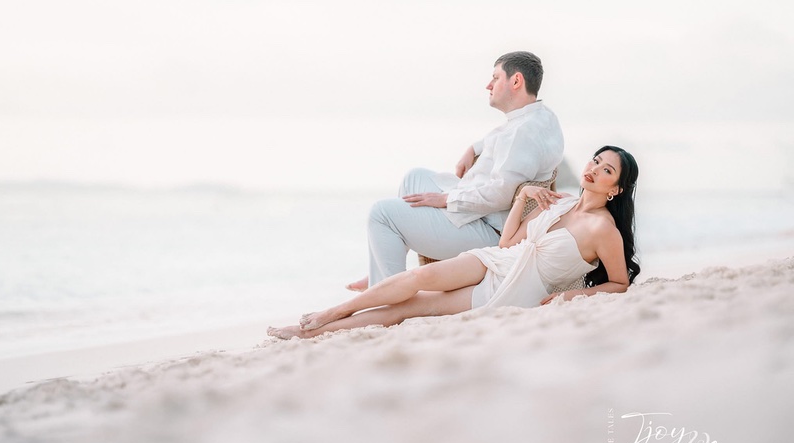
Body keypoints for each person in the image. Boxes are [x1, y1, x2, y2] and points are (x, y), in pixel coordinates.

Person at [267, 146, 640, 340]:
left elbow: (619, 284)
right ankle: (332, 312)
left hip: (513, 289)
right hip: (496, 260)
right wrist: (524, 196)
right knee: (416, 280)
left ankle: (307, 332)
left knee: (410, 308)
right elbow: (509, 242)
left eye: (606, 170)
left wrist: (570, 297)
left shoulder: (604, 230)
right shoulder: (560, 202)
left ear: (616, 188)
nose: (594, 169)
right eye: (596, 160)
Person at [346, 51, 564, 292]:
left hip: (489, 231)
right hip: (481, 212)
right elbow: (506, 137)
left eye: (495, 77)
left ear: (516, 81)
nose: (488, 85)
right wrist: (473, 148)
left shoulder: (523, 134)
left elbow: (500, 195)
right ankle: (384, 272)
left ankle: (388, 293)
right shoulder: (540, 117)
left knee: (381, 213)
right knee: (414, 177)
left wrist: (446, 199)